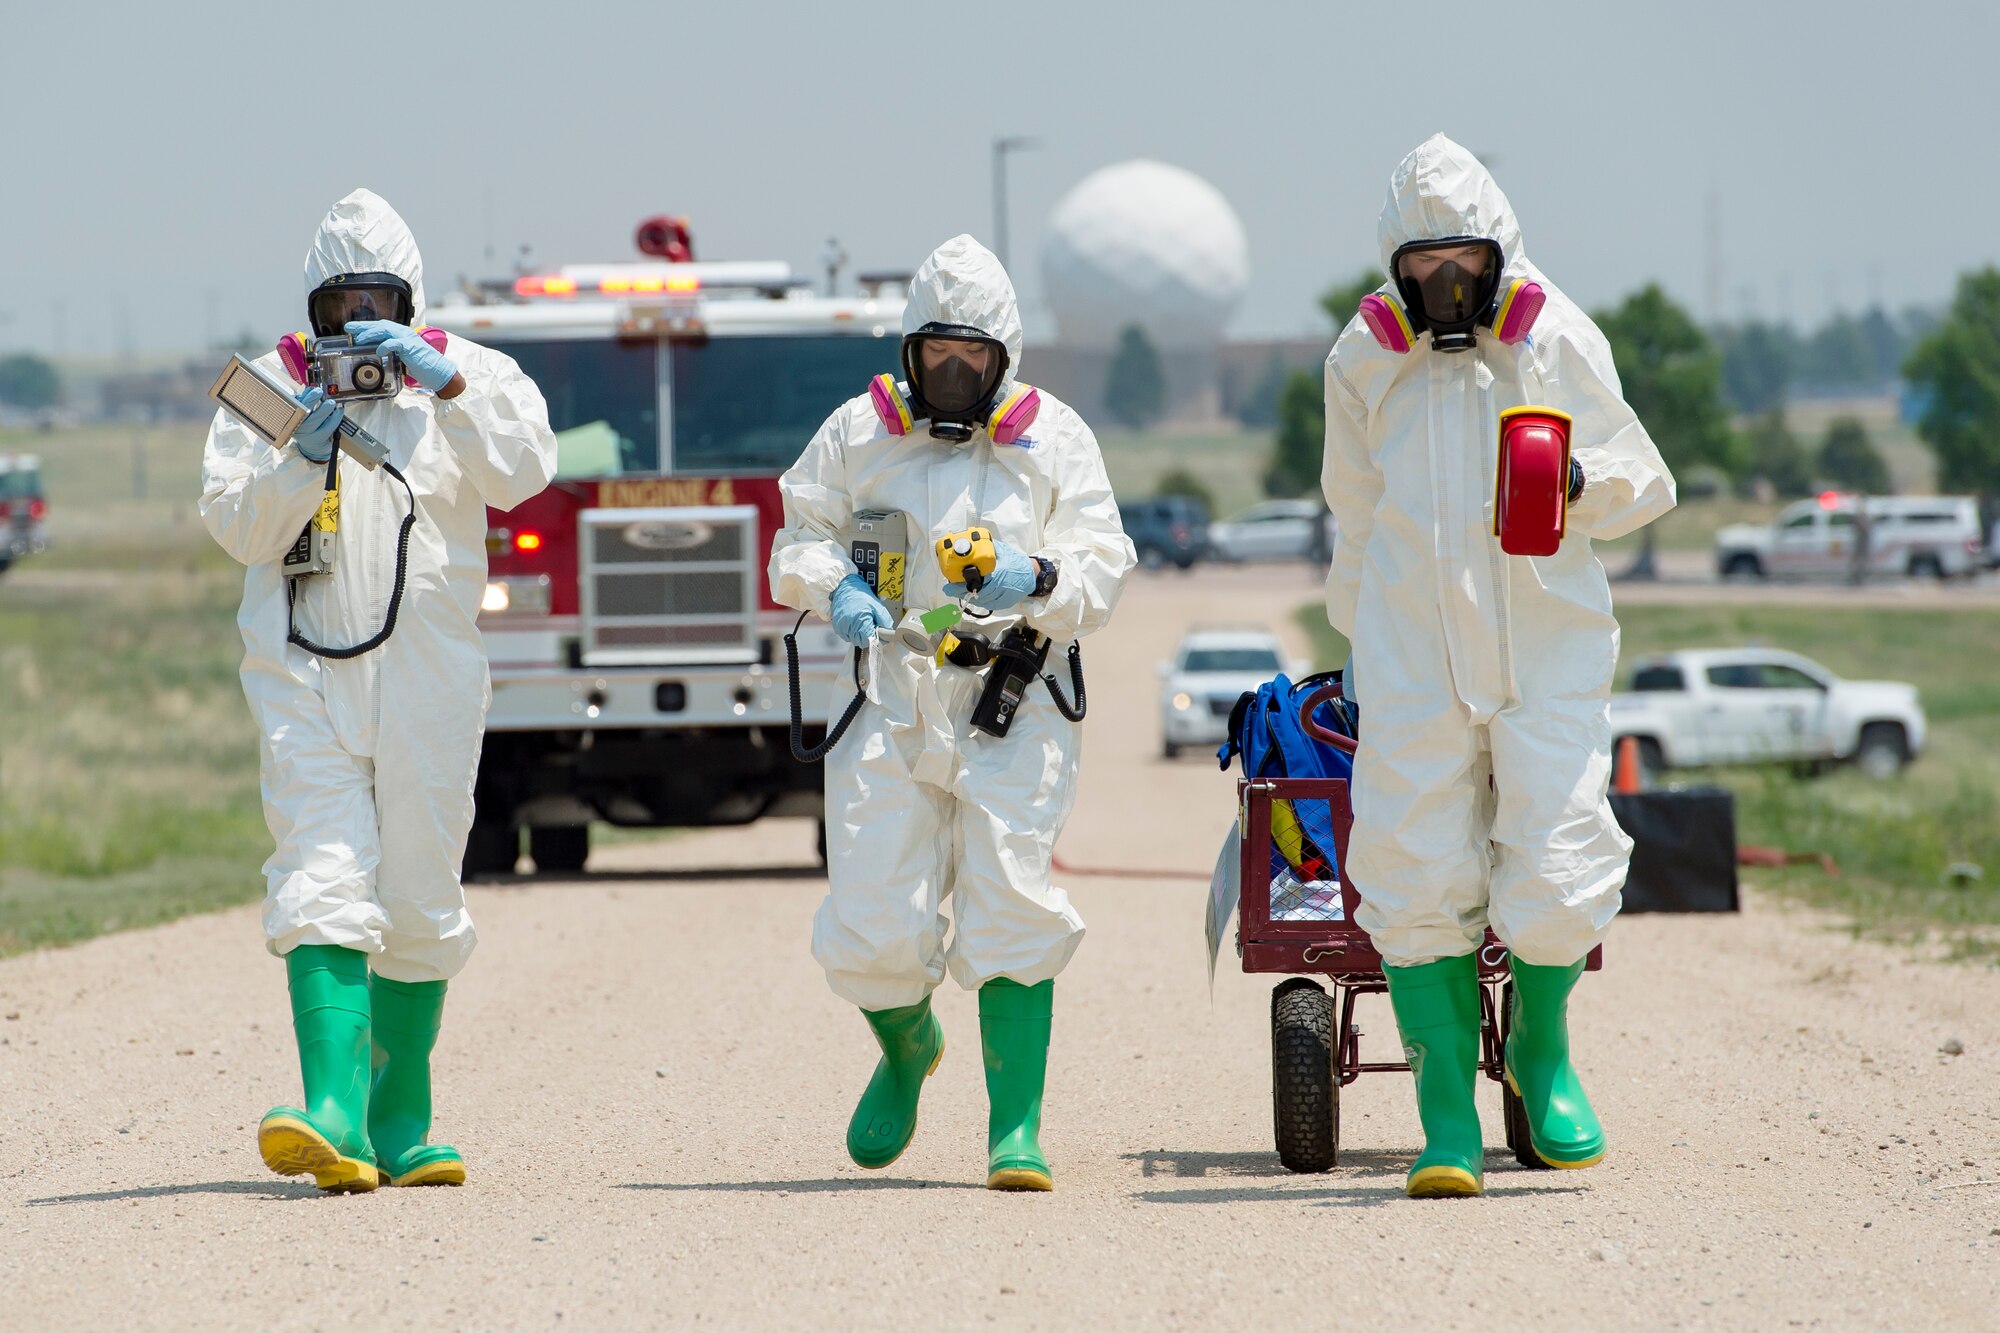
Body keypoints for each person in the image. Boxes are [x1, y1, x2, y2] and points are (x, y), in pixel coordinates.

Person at [1322, 135, 1676, 1198]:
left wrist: (1573, 479)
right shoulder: (1361, 358)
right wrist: (1362, 648)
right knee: (1409, 865)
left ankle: (1540, 1051)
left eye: (1460, 264)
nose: (1443, 286)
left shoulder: (1552, 336)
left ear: (1495, 255)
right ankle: (1443, 1117)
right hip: (1410, 647)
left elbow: (1640, 477)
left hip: (1543, 642)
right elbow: (1351, 511)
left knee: (1562, 856)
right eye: (1422, 267)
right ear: (1394, 266)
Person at [200, 189, 556, 1192]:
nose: (356, 325)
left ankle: (402, 1114)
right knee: (317, 868)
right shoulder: (268, 392)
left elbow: (525, 470)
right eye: (338, 304)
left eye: (376, 302)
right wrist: (293, 466)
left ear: (410, 298)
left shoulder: (471, 373)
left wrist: (445, 388)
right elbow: (234, 525)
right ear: (310, 305)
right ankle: (330, 1112)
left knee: (416, 888)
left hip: (429, 674)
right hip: (303, 666)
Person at [769, 235, 1135, 1191]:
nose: (955, 373)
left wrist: (1039, 575)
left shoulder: (1054, 439)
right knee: (870, 920)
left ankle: (1014, 1129)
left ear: (1003, 357)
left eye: (973, 357)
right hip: (890, 692)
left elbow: (1105, 563)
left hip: (1012, 697)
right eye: (938, 355)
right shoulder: (858, 429)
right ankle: (906, 1045)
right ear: (910, 352)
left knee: (1012, 899)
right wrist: (832, 585)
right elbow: (798, 534)